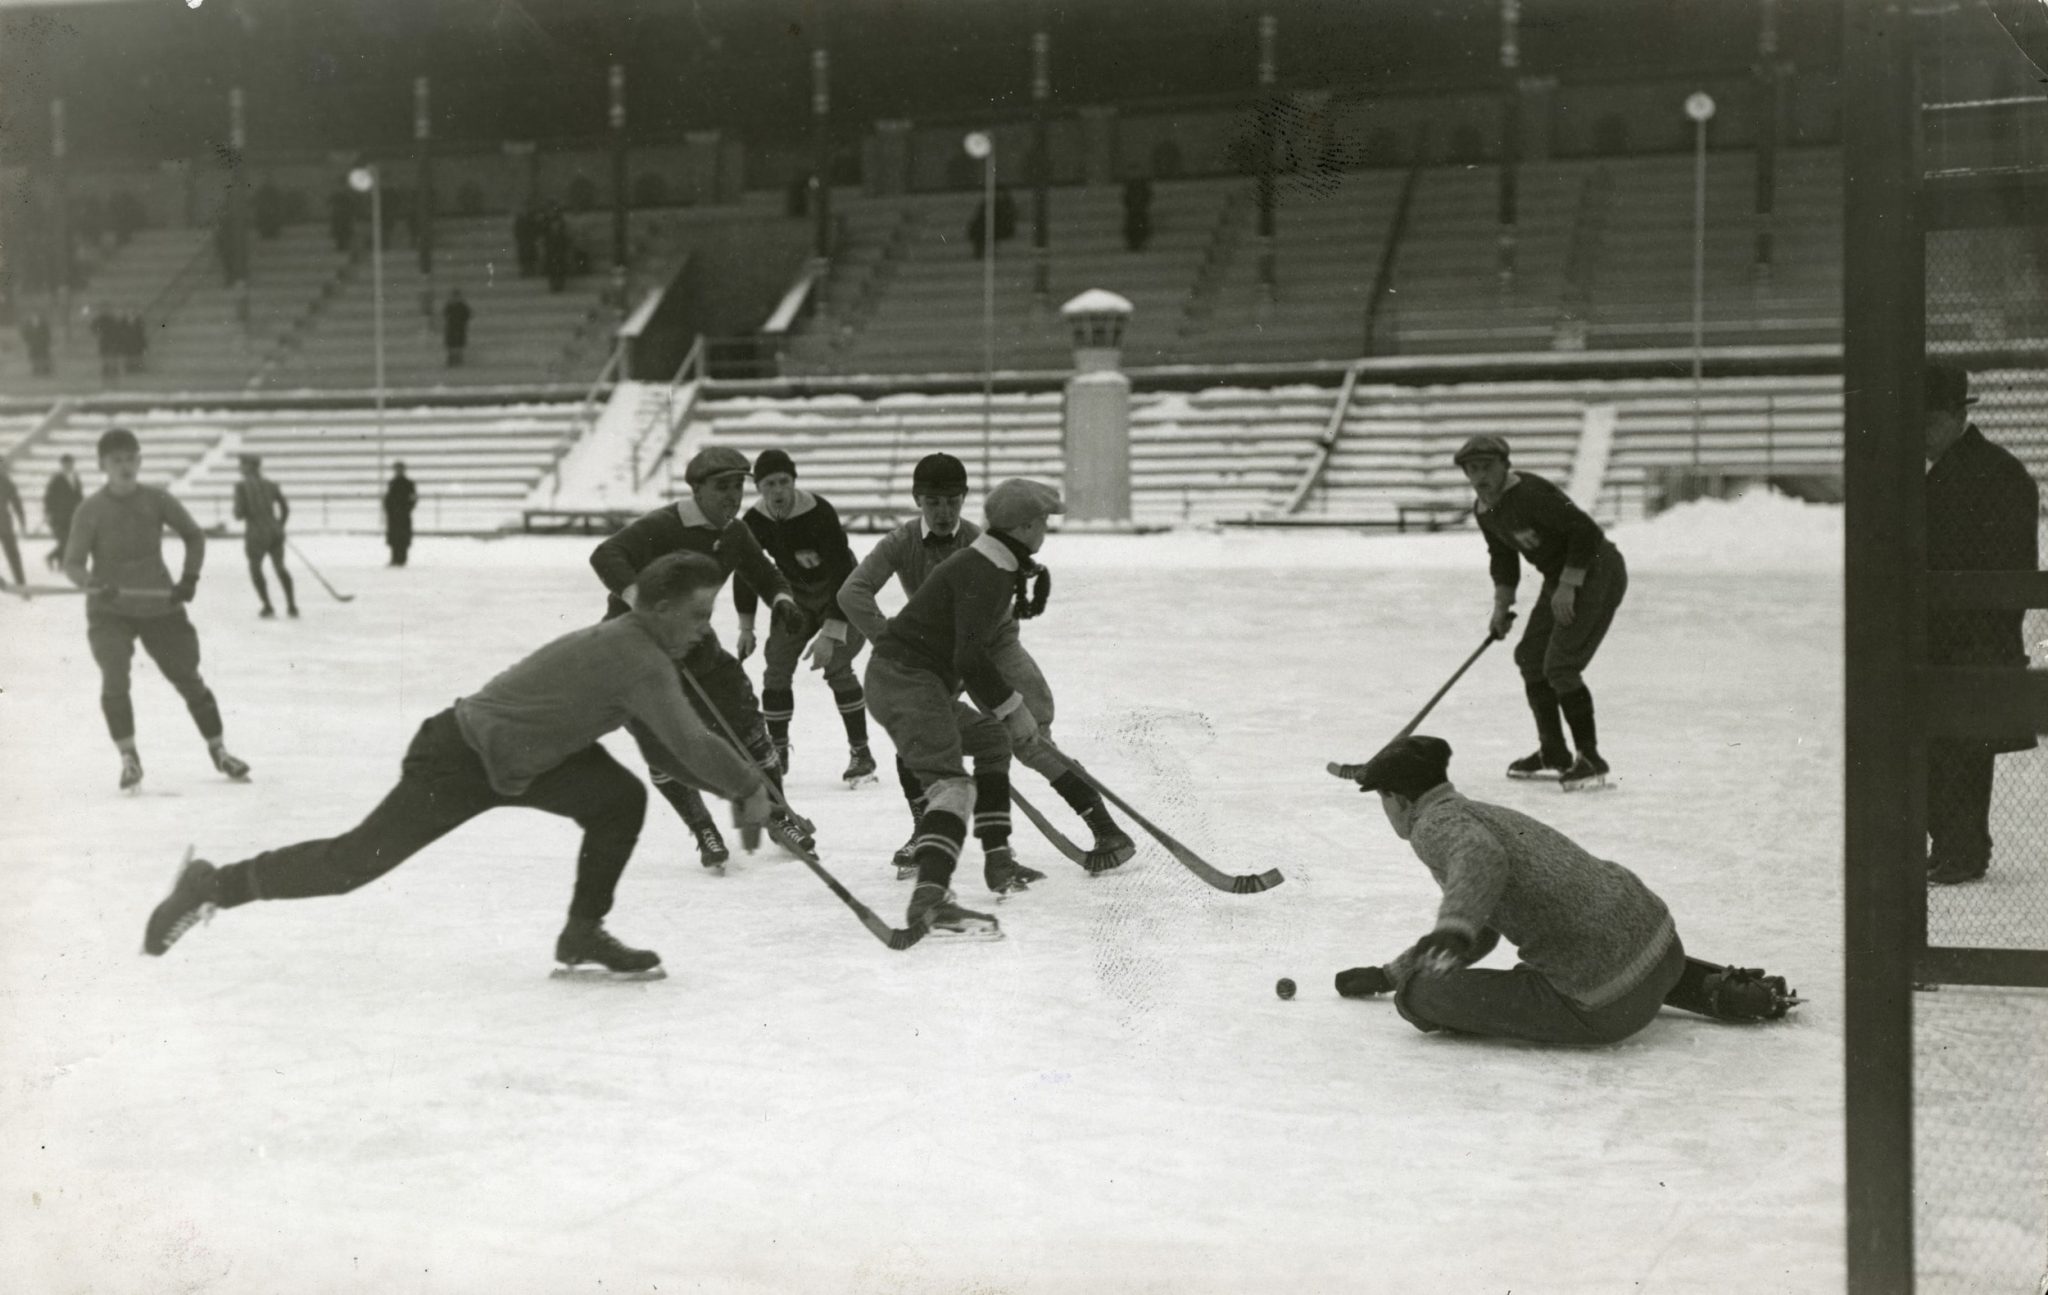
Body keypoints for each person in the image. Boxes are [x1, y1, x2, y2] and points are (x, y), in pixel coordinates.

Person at [140, 552, 774, 976]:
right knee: (353, 864)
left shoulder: (640, 654)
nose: (702, 629)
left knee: (618, 798)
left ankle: (582, 932)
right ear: (659, 609)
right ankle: (211, 884)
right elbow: (690, 745)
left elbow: (669, 748)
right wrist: (749, 787)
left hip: (530, 760)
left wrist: (740, 793)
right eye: (696, 615)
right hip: (460, 757)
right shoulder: (638, 658)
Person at [1329, 736, 1796, 1039]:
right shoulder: (1481, 812)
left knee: (1423, 995)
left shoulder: (1433, 826)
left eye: (1383, 801)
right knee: (1599, 944)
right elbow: (1484, 923)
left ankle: (1419, 993)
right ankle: (1718, 988)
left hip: (1602, 1005)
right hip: (1663, 949)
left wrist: (1422, 964)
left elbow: (1480, 860)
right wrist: (1389, 973)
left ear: (1398, 798)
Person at [840, 453, 1135, 881]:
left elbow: (983, 638)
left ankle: (1106, 829)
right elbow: (853, 593)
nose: (943, 512)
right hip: (936, 655)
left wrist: (1008, 702)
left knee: (1032, 739)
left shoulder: (983, 543)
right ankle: (927, 833)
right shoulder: (901, 542)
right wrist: (886, 638)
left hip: (991, 646)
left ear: (964, 500)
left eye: (952, 502)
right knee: (918, 739)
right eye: (933, 502)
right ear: (917, 500)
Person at [864, 478, 1080, 937]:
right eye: (1042, 522)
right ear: (1023, 527)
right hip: (907, 682)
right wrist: (1013, 706)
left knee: (990, 738)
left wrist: (1005, 714)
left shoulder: (991, 561)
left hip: (902, 679)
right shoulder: (989, 571)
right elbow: (970, 656)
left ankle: (998, 861)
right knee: (953, 786)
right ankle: (932, 901)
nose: (1045, 530)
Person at [590, 446, 815, 870]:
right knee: (663, 738)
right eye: (721, 488)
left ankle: (777, 816)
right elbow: (606, 555)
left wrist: (781, 599)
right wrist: (643, 601)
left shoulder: (734, 532)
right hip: (636, 645)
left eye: (737, 487)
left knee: (747, 721)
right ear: (696, 490)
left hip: (694, 641)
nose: (732, 497)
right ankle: (702, 828)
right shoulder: (664, 524)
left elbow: (762, 572)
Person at [63, 427, 251, 792]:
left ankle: (219, 749)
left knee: (188, 677)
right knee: (114, 676)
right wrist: (93, 584)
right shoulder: (90, 510)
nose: (125, 466)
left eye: (131, 458)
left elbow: (194, 535)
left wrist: (189, 578)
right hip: (110, 611)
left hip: (159, 604)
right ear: (102, 464)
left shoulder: (156, 500)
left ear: (140, 460)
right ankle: (129, 758)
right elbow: (72, 564)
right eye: (117, 460)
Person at [1456, 433, 1628, 791]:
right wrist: (1502, 607)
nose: (1480, 477)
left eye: (1487, 467)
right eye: (1472, 470)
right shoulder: (1484, 510)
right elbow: (1503, 557)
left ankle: (1591, 759)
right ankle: (1554, 752)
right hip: (1559, 577)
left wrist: (1568, 585)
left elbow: (1584, 531)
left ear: (1505, 465)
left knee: (1561, 665)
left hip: (1597, 569)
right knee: (1531, 658)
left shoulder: (1530, 494)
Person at [1924, 361, 2040, 886]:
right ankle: (1957, 845)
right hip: (1965, 633)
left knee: (1961, 751)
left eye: (1926, 424)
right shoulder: (1989, 468)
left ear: (1953, 417)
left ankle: (1962, 848)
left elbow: (2006, 566)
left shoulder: (1993, 473)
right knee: (1954, 750)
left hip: (1970, 634)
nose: (1919, 437)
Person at [734, 449, 876, 786]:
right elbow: (746, 570)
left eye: (784, 481)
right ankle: (777, 751)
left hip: (840, 592)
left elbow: (843, 568)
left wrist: (833, 626)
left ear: (794, 481)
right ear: (759, 488)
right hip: (796, 594)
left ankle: (861, 752)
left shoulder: (817, 511)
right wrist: (746, 626)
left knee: (837, 666)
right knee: (776, 668)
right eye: (770, 483)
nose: (778, 490)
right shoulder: (753, 521)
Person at [232, 453, 297, 618]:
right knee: (280, 567)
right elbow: (285, 508)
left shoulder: (241, 486)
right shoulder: (271, 484)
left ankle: (267, 606)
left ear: (250, 466)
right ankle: (291, 605)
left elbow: (239, 514)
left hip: (255, 533)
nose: (239, 467)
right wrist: (280, 526)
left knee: (255, 568)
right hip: (275, 531)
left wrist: (241, 509)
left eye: (242, 464)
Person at [43, 453, 84, 572]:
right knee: (65, 540)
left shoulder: (76, 477)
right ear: (62, 465)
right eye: (66, 464)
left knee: (70, 540)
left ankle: (55, 559)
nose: (69, 466)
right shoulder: (56, 479)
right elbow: (48, 498)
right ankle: (54, 559)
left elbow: (79, 495)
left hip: (73, 514)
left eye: (70, 464)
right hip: (59, 515)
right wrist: (48, 513)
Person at [384, 461, 418, 567]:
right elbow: (388, 499)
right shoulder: (391, 483)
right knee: (394, 538)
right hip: (393, 515)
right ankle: (394, 558)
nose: (398, 471)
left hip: (404, 515)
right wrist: (389, 510)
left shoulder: (409, 484)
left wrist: (407, 509)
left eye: (400, 469)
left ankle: (402, 559)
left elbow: (413, 498)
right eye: (397, 469)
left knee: (403, 538)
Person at [0, 459, 26, 586]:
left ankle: (21, 583)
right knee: (13, 554)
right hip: (4, 523)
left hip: (4, 524)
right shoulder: (7, 481)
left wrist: (22, 522)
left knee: (13, 554)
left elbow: (17, 504)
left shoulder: (7, 482)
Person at [1121, 175, 1154, 252]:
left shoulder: (1143, 191)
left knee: (1139, 224)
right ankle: (1134, 243)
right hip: (1134, 213)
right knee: (1134, 224)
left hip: (1139, 213)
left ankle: (1138, 242)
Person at [442, 289, 472, 368]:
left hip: (460, 327)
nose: (455, 298)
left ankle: (458, 358)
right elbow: (445, 314)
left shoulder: (462, 306)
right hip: (451, 327)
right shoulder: (449, 305)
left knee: (459, 343)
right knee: (451, 343)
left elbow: (468, 315)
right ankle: (451, 358)